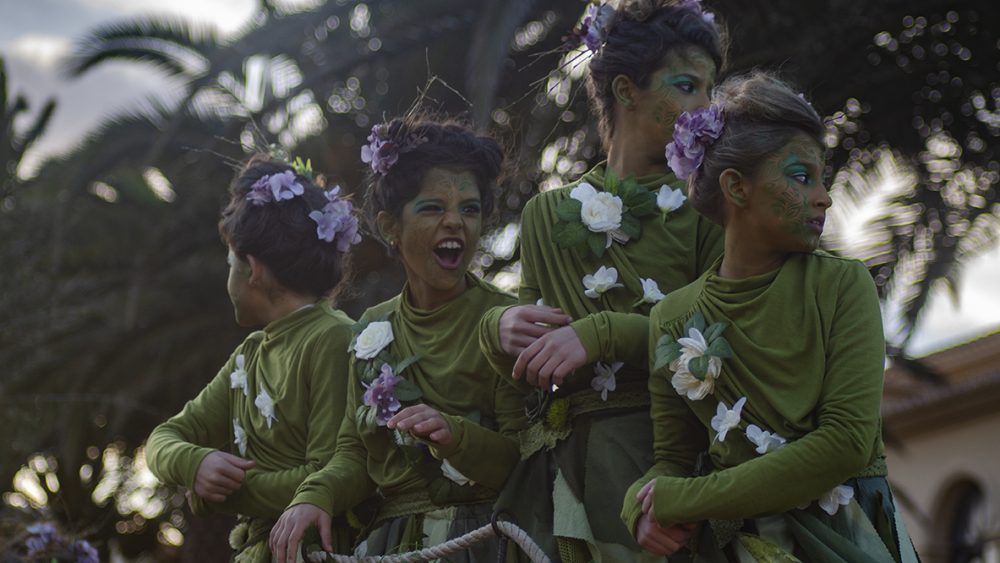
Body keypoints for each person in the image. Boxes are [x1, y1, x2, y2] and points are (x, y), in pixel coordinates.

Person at [622, 71, 921, 562]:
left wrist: (687, 499)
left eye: (823, 179)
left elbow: (845, 443)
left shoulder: (842, 284)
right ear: (737, 188)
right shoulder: (674, 319)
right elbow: (673, 462)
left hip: (852, 541)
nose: (824, 196)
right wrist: (640, 505)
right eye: (802, 177)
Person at [478, 1, 726, 560]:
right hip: (566, 482)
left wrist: (603, 334)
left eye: (712, 90)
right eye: (688, 85)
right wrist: (499, 329)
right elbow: (525, 377)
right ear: (625, 89)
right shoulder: (546, 215)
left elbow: (722, 344)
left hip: (671, 464)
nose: (707, 109)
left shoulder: (711, 211)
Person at [268, 118, 527, 563]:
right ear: (390, 226)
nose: (455, 223)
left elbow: (525, 462)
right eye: (432, 208)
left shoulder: (504, 320)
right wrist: (315, 496)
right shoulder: (372, 329)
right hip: (390, 546)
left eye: (470, 208)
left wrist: (455, 436)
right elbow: (354, 452)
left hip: (485, 541)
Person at [145, 155, 362, 562]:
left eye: (231, 264)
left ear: (254, 271)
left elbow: (328, 472)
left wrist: (217, 496)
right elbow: (162, 439)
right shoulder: (248, 354)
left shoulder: (332, 338)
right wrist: (197, 463)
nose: (228, 278)